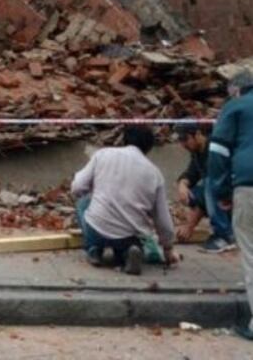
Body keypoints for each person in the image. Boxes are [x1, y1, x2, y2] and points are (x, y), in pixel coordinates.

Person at [71, 125, 178, 275]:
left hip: (97, 227)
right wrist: (168, 248)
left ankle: (94, 249)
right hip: (128, 234)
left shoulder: (103, 155)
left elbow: (77, 187)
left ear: (124, 139)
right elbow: (162, 218)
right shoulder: (155, 174)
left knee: (83, 203)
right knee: (130, 240)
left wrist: (94, 191)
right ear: (148, 148)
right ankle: (128, 253)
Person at [208, 71, 253, 342]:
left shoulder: (235, 107)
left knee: (251, 252)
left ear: (236, 90)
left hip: (248, 185)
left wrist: (222, 191)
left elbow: (218, 152)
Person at [174, 123, 236, 253]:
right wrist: (182, 184)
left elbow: (213, 186)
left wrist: (190, 226)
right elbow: (191, 174)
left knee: (209, 184)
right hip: (223, 196)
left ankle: (224, 235)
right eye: (180, 140)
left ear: (197, 134)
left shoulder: (214, 150)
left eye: (185, 139)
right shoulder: (197, 152)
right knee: (191, 194)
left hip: (232, 194)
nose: (183, 145)